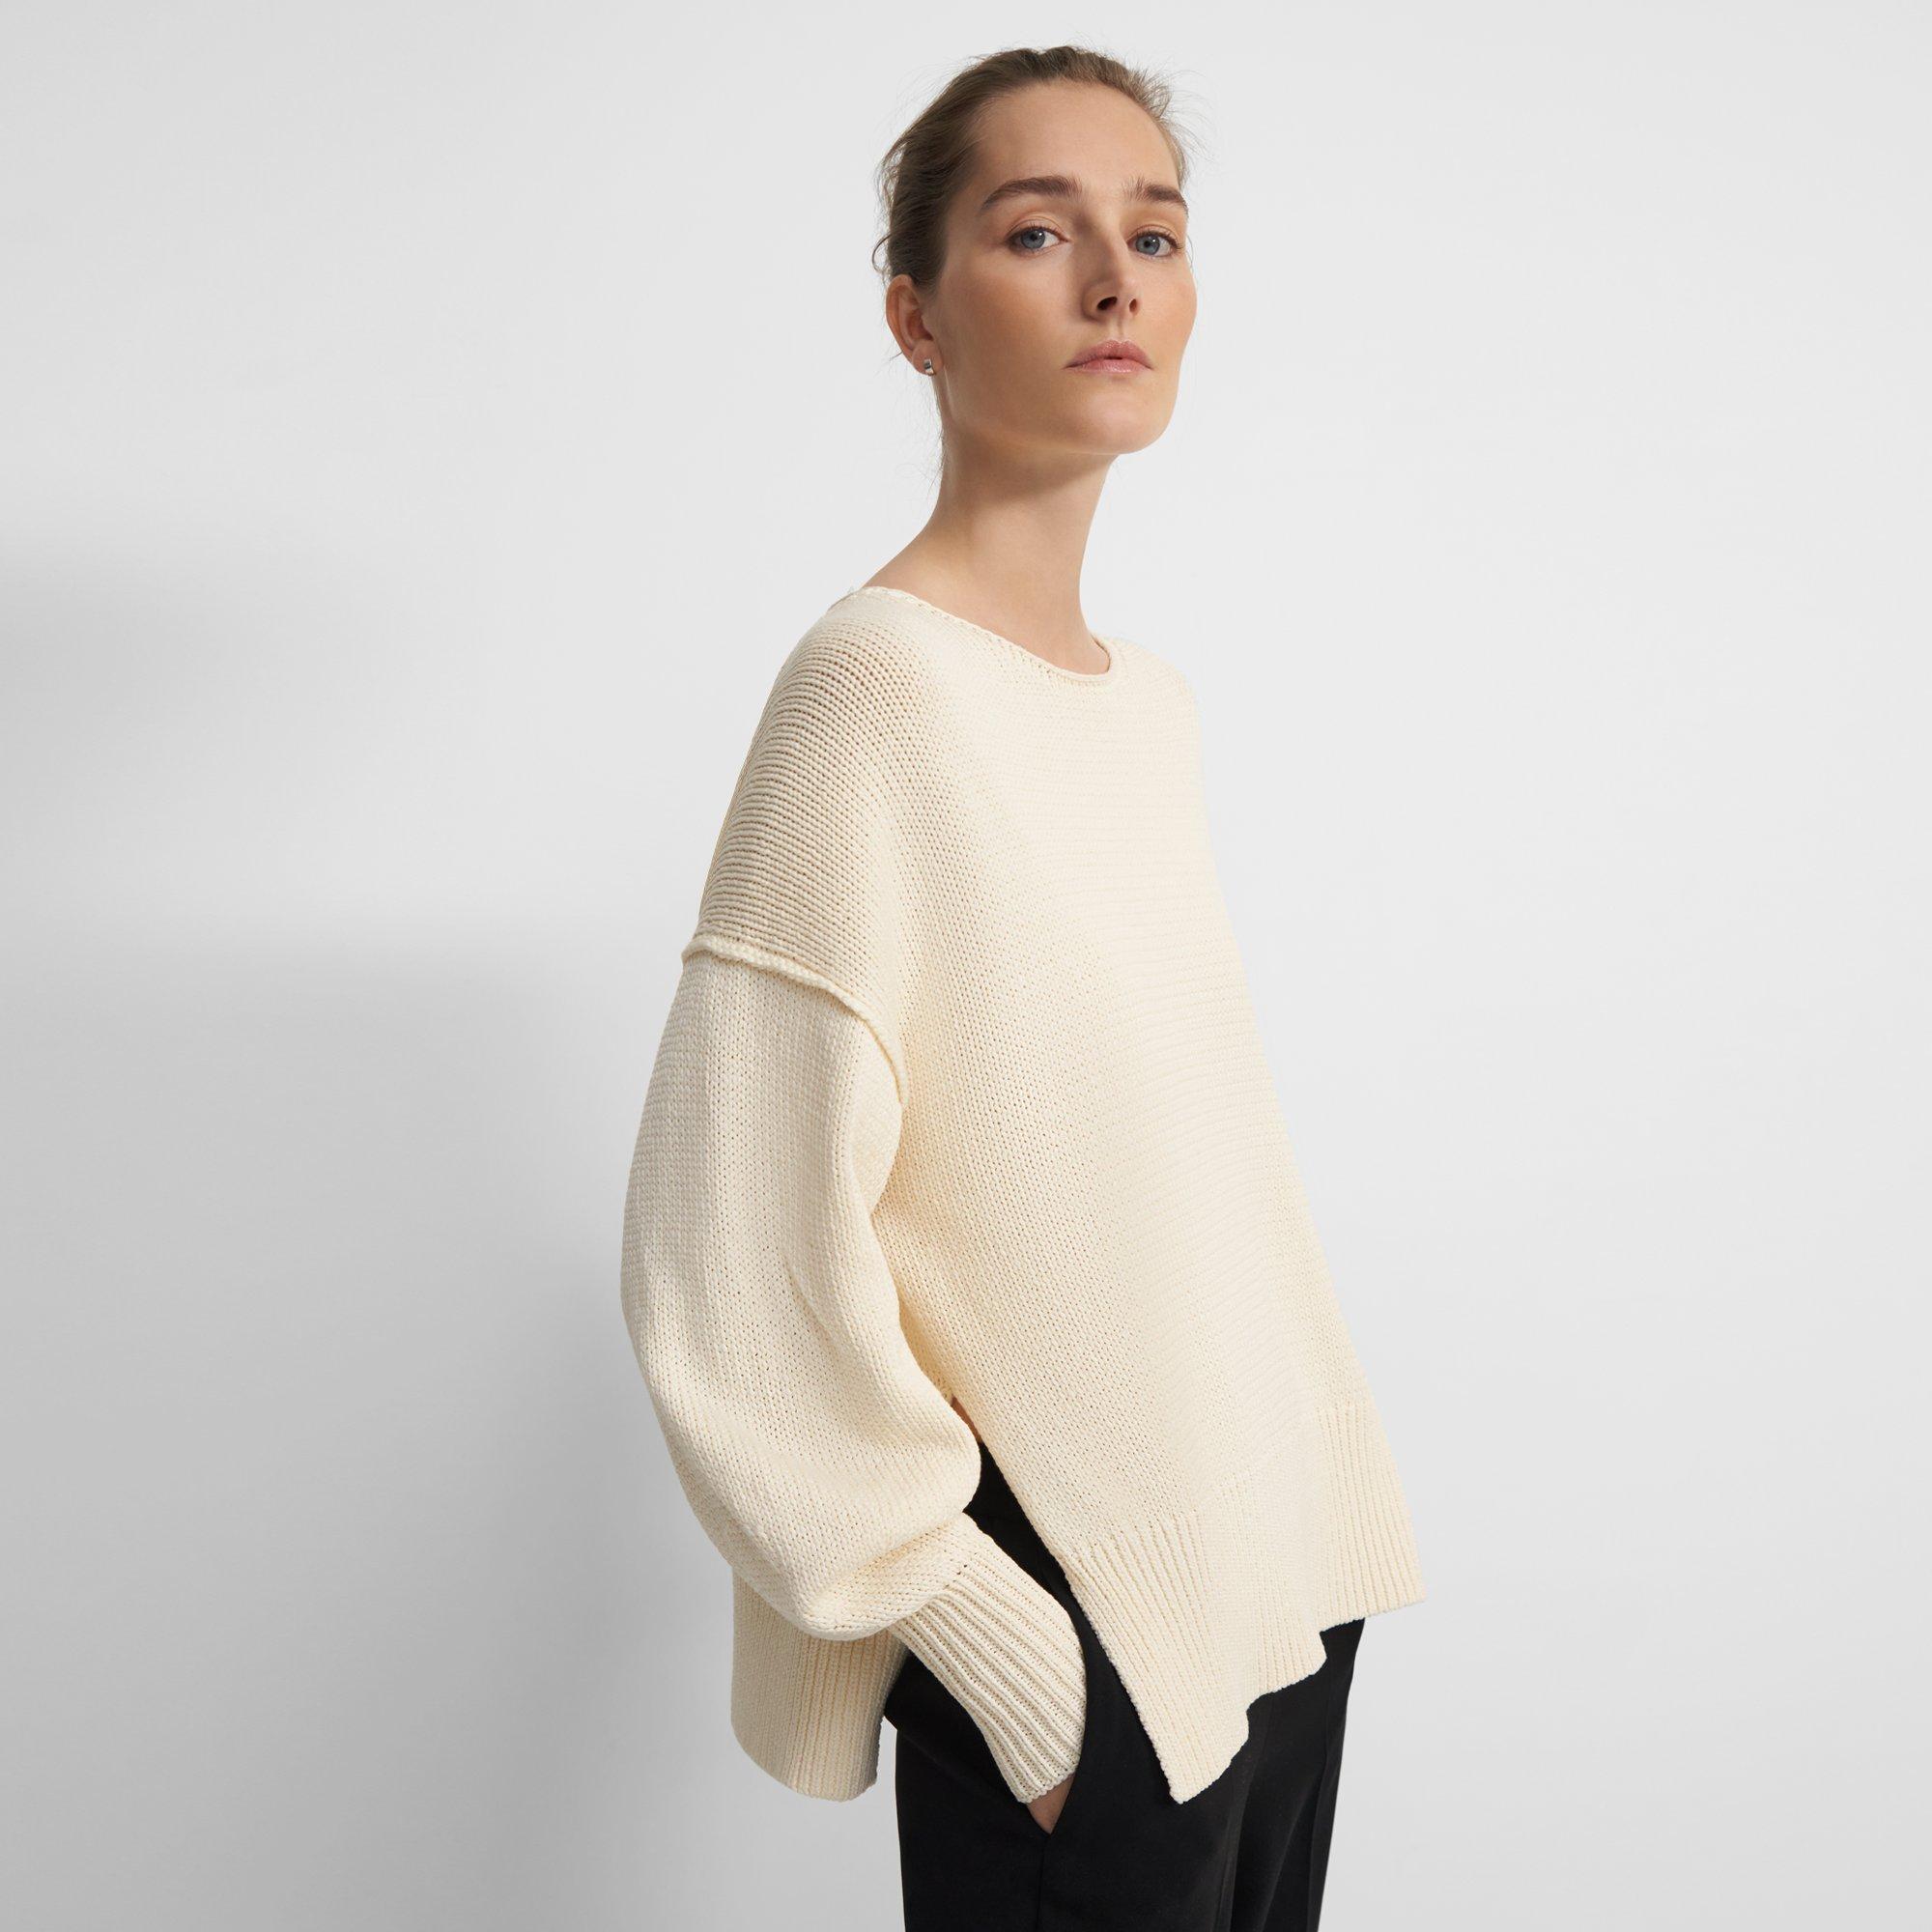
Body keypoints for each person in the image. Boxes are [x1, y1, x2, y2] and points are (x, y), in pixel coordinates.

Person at [619, 43, 1426, 1932]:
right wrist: (1005, 1659)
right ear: (916, 314)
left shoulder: (1146, 708)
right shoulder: (872, 693)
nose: (1115, 282)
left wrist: (1305, 1524)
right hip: (1090, 1651)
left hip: (1273, 1604)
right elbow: (720, 1268)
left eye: (1155, 232)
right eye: (1038, 232)